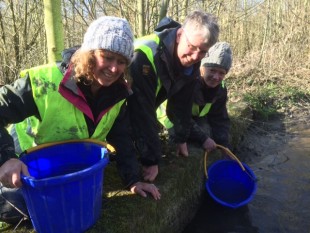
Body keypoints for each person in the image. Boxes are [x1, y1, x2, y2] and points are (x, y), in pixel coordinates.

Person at [0, 16, 161, 225]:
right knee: (17, 212)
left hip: (75, 175)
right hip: (28, 170)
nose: (114, 69)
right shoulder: (44, 82)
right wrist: (6, 158)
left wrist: (133, 179)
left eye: (121, 62)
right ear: (90, 54)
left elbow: (121, 137)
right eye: (107, 57)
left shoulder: (118, 93)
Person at [128, 10, 219, 182]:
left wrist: (181, 138)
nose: (194, 57)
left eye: (202, 52)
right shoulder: (144, 55)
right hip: (120, 111)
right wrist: (151, 159)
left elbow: (182, 105)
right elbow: (141, 112)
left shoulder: (191, 60)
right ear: (179, 35)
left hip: (142, 109)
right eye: (191, 47)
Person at [161, 42, 232, 152]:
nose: (216, 77)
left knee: (210, 136)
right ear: (202, 68)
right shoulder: (188, 82)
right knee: (189, 145)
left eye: (221, 73)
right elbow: (180, 115)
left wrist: (224, 144)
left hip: (193, 116)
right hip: (171, 116)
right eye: (212, 70)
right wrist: (203, 139)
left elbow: (219, 118)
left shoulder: (221, 89)